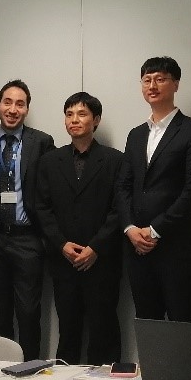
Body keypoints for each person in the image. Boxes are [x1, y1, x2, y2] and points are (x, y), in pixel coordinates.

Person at [115, 56, 191, 322]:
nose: (152, 85)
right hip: (136, 246)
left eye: (160, 79)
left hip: (176, 245)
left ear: (176, 84)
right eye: (147, 80)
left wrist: (156, 229)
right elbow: (123, 186)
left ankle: (182, 367)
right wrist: (130, 229)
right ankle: (151, 367)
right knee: (147, 321)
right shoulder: (136, 134)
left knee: (181, 320)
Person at [32, 92, 124, 365]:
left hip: (103, 260)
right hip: (64, 260)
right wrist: (61, 244)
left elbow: (119, 209)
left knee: (103, 328)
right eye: (69, 114)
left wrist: (96, 247)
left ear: (96, 120)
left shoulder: (115, 160)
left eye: (82, 114)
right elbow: (42, 208)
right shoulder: (50, 161)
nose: (74, 120)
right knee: (68, 327)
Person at [0, 80, 56, 359]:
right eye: (7, 102)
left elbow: (49, 195)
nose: (12, 109)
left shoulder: (42, 142)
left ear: (27, 109)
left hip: (27, 237)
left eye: (19, 104)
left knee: (29, 311)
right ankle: (1, 368)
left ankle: (30, 366)